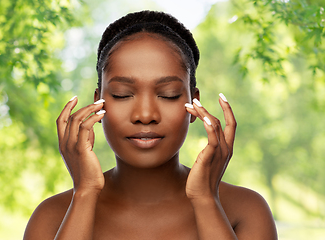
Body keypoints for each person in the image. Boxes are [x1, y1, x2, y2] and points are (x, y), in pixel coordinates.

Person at [23, 10, 277, 240]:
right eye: (123, 94)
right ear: (99, 105)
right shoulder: (53, 216)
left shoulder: (245, 209)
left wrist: (206, 201)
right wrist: (85, 194)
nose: (145, 115)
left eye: (168, 94)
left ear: (194, 104)